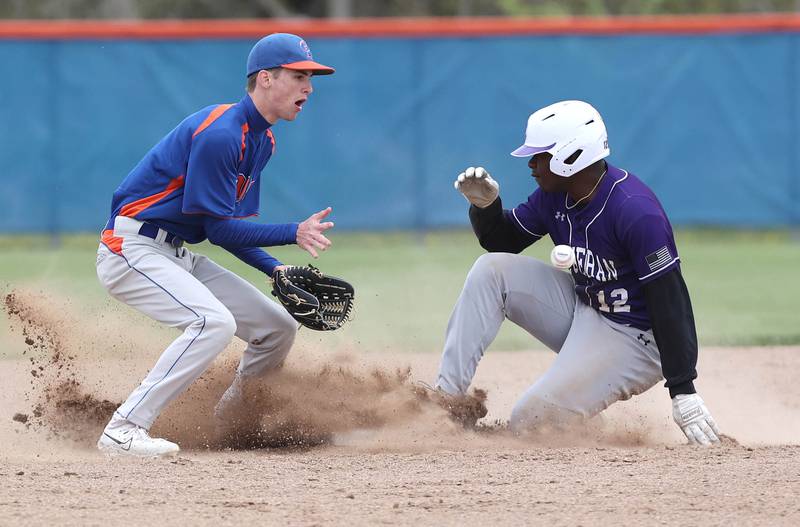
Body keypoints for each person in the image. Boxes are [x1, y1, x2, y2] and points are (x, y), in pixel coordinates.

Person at [95, 33, 336, 456]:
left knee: (276, 328)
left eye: (310, 78)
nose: (309, 88)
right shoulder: (222, 133)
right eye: (299, 76)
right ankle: (123, 429)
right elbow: (218, 230)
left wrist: (274, 269)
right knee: (213, 323)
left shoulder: (262, 140)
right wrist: (292, 232)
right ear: (265, 79)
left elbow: (228, 226)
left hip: (173, 253)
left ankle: (230, 422)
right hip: (130, 249)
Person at [436, 100, 721, 446]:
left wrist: (683, 388)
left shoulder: (635, 210)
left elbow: (670, 299)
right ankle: (445, 403)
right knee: (490, 271)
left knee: (531, 421)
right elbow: (503, 242)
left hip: (636, 337)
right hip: (586, 307)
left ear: (569, 156)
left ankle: (573, 416)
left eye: (540, 155)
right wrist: (485, 208)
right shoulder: (554, 196)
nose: (531, 164)